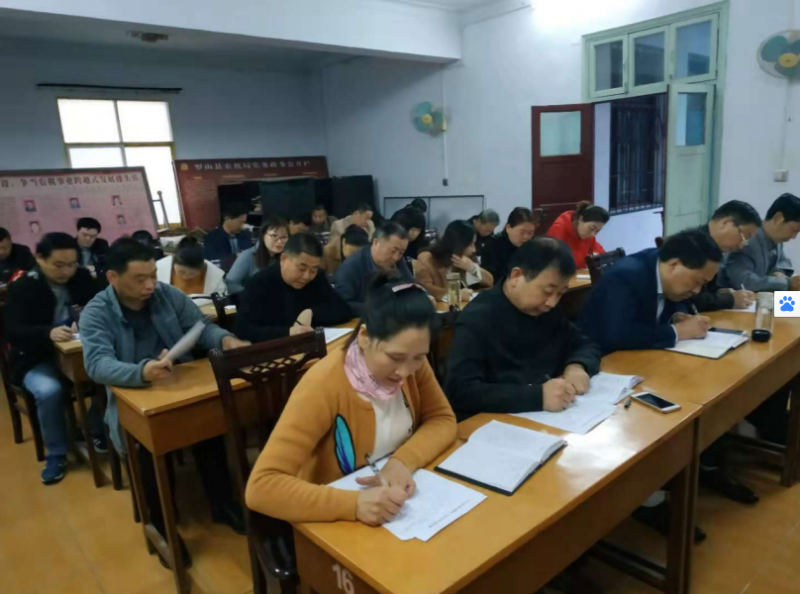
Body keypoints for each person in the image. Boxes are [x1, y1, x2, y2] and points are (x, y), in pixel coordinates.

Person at [80, 238, 251, 568]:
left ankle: (222, 504)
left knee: (210, 426)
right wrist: (141, 371)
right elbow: (97, 364)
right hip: (135, 400)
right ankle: (161, 526)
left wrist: (227, 339)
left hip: (179, 387)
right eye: (139, 279)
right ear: (113, 277)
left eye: (152, 276)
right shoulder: (96, 312)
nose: (150, 285)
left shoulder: (167, 295)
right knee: (146, 451)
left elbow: (201, 329)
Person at [245, 274, 457, 526]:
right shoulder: (323, 385)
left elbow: (442, 419)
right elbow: (261, 487)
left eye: (419, 357)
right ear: (365, 337)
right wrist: (354, 504)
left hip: (392, 508)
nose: (404, 372)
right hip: (333, 523)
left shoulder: (411, 362)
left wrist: (402, 462)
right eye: (394, 357)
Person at [445, 238, 601, 421]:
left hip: (555, 418)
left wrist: (577, 366)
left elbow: (584, 344)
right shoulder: (477, 318)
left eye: (560, 293)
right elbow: (460, 392)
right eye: (547, 291)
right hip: (498, 423)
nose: (552, 302)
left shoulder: (546, 310)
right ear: (516, 276)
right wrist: (537, 396)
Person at [4, 233, 102, 484]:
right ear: (40, 258)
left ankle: (95, 430)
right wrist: (47, 332)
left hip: (78, 352)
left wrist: (87, 321)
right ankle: (57, 453)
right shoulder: (23, 287)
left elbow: (99, 306)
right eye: (58, 265)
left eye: (71, 264)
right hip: (35, 358)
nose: (66, 271)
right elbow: (12, 331)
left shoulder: (82, 278)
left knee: (109, 375)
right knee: (49, 391)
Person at [579, 229, 721, 355]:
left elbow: (678, 303)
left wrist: (677, 316)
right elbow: (618, 335)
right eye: (697, 282)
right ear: (674, 265)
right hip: (605, 361)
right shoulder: (625, 277)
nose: (697, 291)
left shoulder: (665, 270)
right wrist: (677, 331)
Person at [236, 233, 352, 343]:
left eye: (313, 270)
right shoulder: (258, 283)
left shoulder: (317, 278)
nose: (307, 276)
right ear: (284, 259)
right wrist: (290, 332)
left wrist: (311, 313)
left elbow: (344, 310)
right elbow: (243, 329)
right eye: (302, 268)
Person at [719, 193, 800, 292]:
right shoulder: (747, 240)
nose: (794, 237)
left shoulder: (776, 238)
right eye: (794, 230)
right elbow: (744, 282)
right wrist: (786, 283)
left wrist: (777, 272)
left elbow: (784, 262)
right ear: (778, 218)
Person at [693, 200, 762, 312]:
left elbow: (704, 292)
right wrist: (729, 300)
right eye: (744, 237)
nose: (741, 245)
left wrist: (720, 293)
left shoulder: (713, 247)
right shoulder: (691, 246)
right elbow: (686, 300)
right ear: (725, 223)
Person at [334, 221, 414, 316]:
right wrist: (379, 309)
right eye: (393, 251)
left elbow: (411, 286)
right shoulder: (350, 267)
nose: (396, 257)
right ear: (376, 242)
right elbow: (342, 305)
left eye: (401, 253)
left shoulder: (397, 260)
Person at [414, 220, 494, 302]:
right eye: (470, 244)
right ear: (459, 244)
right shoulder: (427, 259)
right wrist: (456, 294)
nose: (474, 249)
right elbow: (424, 289)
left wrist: (472, 268)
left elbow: (489, 282)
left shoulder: (466, 259)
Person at [156, 237, 227, 307]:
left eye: (192, 274)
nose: (185, 277)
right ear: (173, 262)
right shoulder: (158, 269)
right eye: (181, 272)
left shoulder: (215, 276)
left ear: (202, 268)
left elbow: (222, 301)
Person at [225, 216, 289, 294]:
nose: (279, 241)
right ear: (263, 236)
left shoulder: (287, 257)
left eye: (284, 237)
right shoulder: (248, 256)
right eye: (274, 236)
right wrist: (253, 293)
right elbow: (230, 285)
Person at [546, 202, 609, 269]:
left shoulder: (588, 234)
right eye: (591, 228)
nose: (593, 234)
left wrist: (596, 255)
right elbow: (553, 262)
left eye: (597, 231)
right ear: (581, 219)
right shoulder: (559, 229)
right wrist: (587, 261)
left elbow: (600, 252)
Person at [481, 207, 537, 279]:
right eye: (522, 232)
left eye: (530, 233)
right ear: (508, 228)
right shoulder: (492, 244)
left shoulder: (533, 246)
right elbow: (488, 277)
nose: (526, 237)